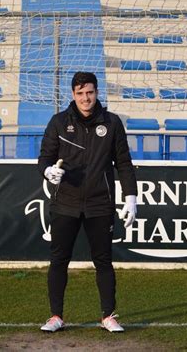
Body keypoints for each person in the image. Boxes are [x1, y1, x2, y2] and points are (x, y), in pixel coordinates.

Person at [38, 71, 137, 332]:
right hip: (65, 203)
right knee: (59, 260)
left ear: (96, 93)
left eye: (90, 92)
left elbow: (124, 164)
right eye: (80, 93)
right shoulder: (59, 122)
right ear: (73, 94)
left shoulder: (112, 123)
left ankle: (108, 316)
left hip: (100, 204)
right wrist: (49, 172)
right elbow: (44, 159)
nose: (86, 98)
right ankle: (55, 316)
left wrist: (131, 198)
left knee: (103, 261)